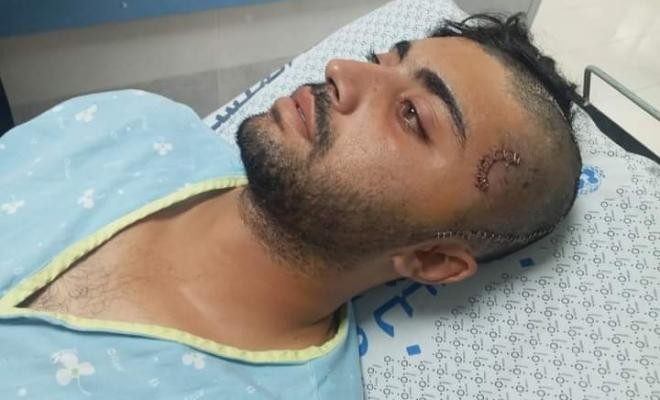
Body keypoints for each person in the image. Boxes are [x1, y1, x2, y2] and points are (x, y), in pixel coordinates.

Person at [0, 13, 580, 399]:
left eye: (411, 115)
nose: (340, 72)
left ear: (431, 259)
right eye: (380, 61)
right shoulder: (134, 124)